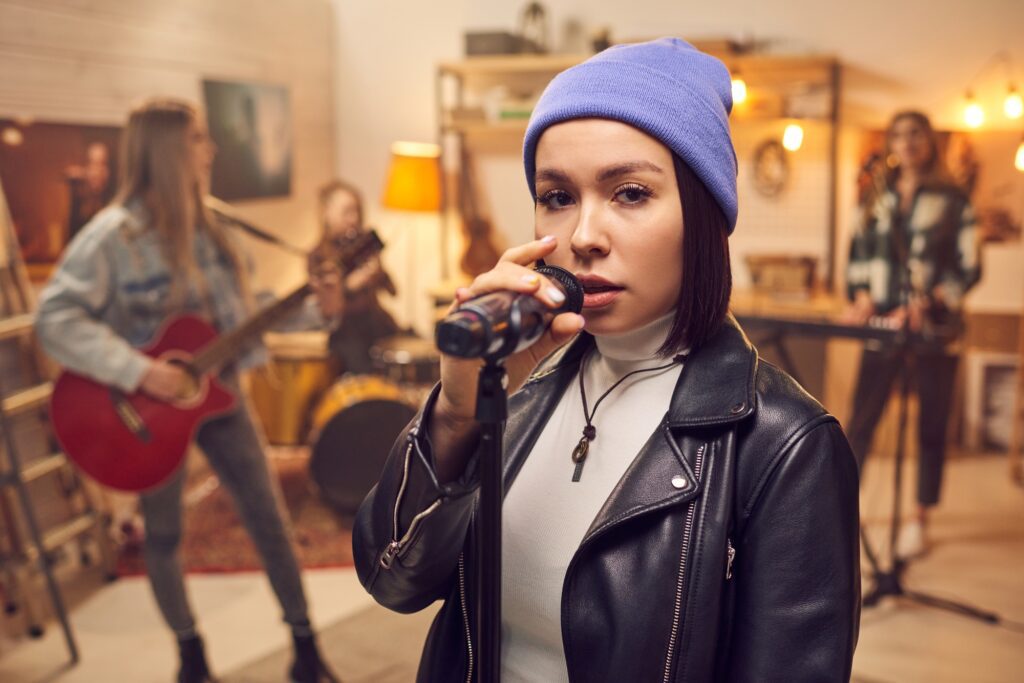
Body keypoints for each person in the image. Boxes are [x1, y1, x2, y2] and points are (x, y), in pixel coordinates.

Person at [354, 39, 861, 682]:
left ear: (702, 215)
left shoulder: (785, 446)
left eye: (629, 193)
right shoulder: (518, 391)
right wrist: (456, 413)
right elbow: (390, 581)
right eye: (558, 197)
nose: (584, 237)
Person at [35, 98, 341, 683]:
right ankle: (190, 654)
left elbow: (247, 322)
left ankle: (305, 649)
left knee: (269, 519)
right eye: (200, 137)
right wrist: (140, 372)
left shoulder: (218, 226)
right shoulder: (111, 239)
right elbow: (55, 318)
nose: (212, 148)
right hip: (145, 416)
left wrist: (321, 309)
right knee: (166, 534)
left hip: (222, 396)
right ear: (170, 150)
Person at [843, 110, 981, 558]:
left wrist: (928, 302)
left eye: (915, 134)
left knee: (930, 425)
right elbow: (859, 249)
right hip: (882, 326)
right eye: (898, 134)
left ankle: (919, 517)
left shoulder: (954, 198)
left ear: (930, 141)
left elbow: (969, 265)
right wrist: (861, 294)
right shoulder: (876, 195)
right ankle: (843, 509)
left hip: (932, 329)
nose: (906, 142)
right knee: (861, 419)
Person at [315, 179, 400, 374]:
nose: (353, 219)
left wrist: (379, 272)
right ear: (326, 212)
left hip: (376, 326)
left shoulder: (363, 246)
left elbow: (394, 291)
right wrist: (349, 287)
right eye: (347, 212)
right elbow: (323, 310)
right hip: (347, 335)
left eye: (356, 212)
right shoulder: (318, 256)